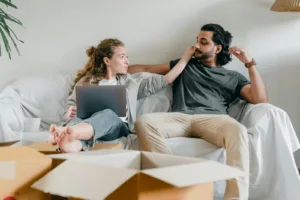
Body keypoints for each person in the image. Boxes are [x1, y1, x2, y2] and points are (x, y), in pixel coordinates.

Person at [129, 24, 269, 200]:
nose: (196, 46)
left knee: (238, 130)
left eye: (203, 42)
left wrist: (249, 63)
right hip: (179, 117)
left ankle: (235, 198)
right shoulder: (186, 65)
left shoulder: (233, 77)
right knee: (144, 121)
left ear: (217, 48)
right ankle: (173, 178)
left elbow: (260, 99)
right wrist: (114, 68)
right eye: (197, 41)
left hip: (214, 119)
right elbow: (148, 69)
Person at [49, 38, 195, 153]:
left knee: (107, 114)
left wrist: (186, 56)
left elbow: (168, 79)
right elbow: (69, 108)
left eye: (127, 57)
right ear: (107, 61)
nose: (127, 61)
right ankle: (73, 144)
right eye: (122, 57)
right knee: (77, 117)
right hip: (85, 123)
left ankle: (69, 132)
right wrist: (68, 113)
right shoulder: (86, 81)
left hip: (116, 127)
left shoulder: (132, 83)